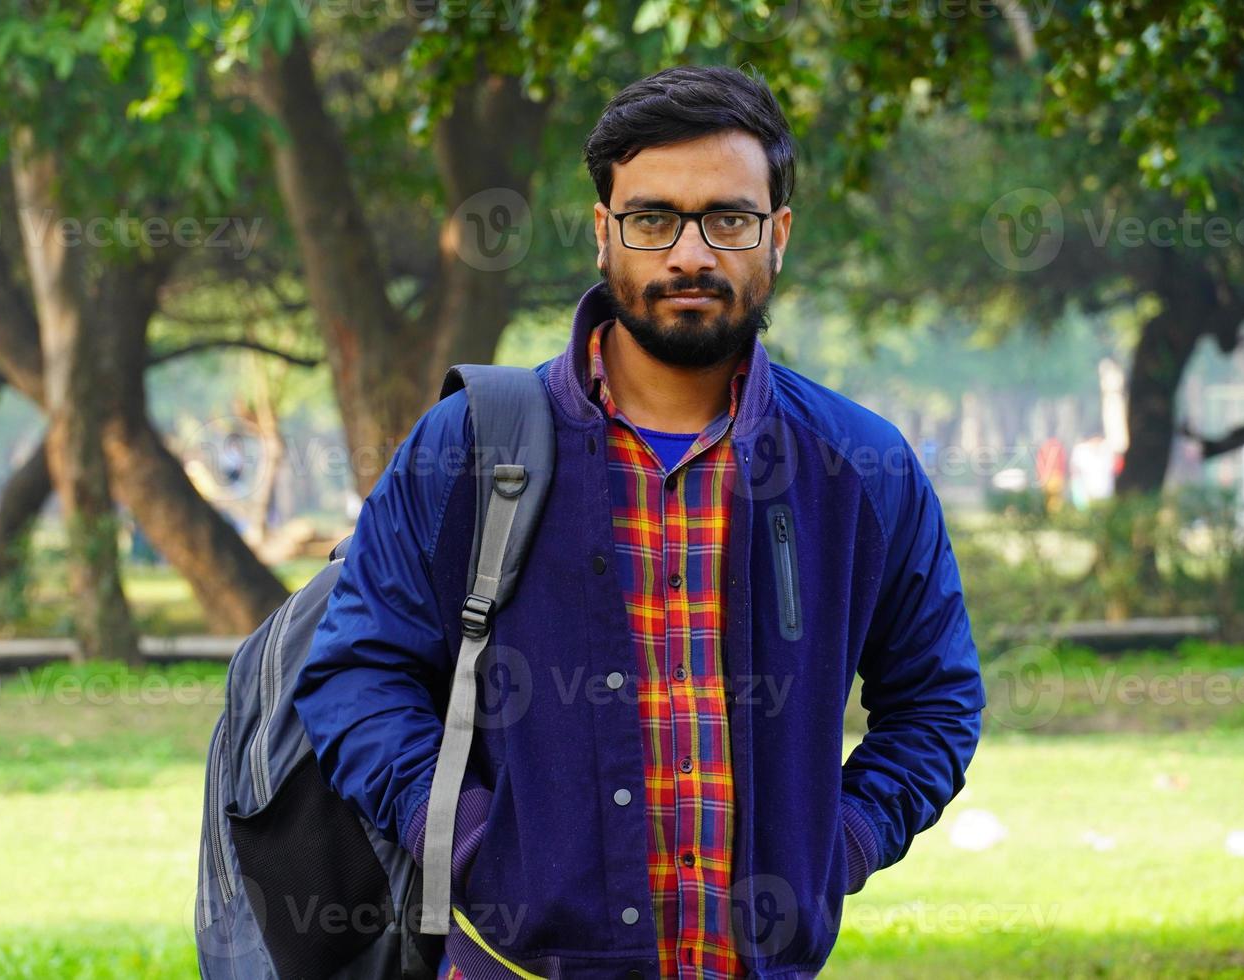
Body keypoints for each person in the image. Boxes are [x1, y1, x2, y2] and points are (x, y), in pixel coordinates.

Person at [293, 64, 985, 979]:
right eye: (653, 218)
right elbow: (355, 670)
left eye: (727, 219)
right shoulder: (473, 444)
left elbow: (937, 701)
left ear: (777, 236)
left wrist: (842, 840)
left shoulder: (858, 466)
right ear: (602, 232)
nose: (689, 255)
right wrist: (457, 835)